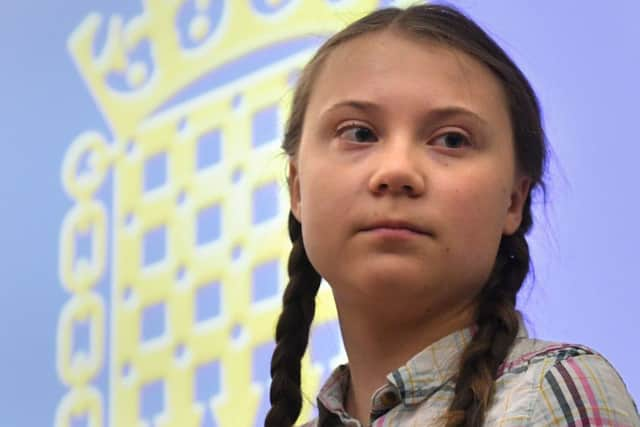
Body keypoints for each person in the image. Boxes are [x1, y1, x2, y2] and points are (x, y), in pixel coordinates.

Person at [263, 4, 640, 427]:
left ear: (513, 201)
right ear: (297, 188)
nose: (397, 171)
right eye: (359, 133)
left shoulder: (550, 394)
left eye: (452, 139)